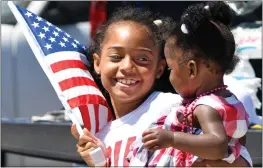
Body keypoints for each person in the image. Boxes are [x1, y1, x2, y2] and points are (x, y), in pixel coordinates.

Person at [71, 6, 252, 167]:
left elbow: (233, 155)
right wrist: (98, 162)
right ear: (97, 63)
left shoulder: (175, 109)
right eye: (116, 57)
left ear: (160, 68)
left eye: (142, 59)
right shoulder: (100, 134)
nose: (127, 67)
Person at [128, 1, 251, 167]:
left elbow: (218, 146)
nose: (169, 77)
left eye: (171, 69)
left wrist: (172, 139)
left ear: (191, 70)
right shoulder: (231, 100)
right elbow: (239, 140)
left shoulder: (205, 107)